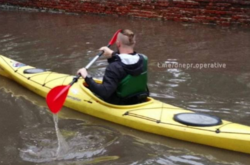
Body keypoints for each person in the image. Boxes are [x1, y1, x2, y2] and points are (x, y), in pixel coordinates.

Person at [77, 29, 149, 105]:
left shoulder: (114, 67)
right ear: (134, 43)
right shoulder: (143, 59)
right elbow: (127, 60)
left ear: (118, 44)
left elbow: (104, 93)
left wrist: (86, 76)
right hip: (139, 98)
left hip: (119, 103)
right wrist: (112, 54)